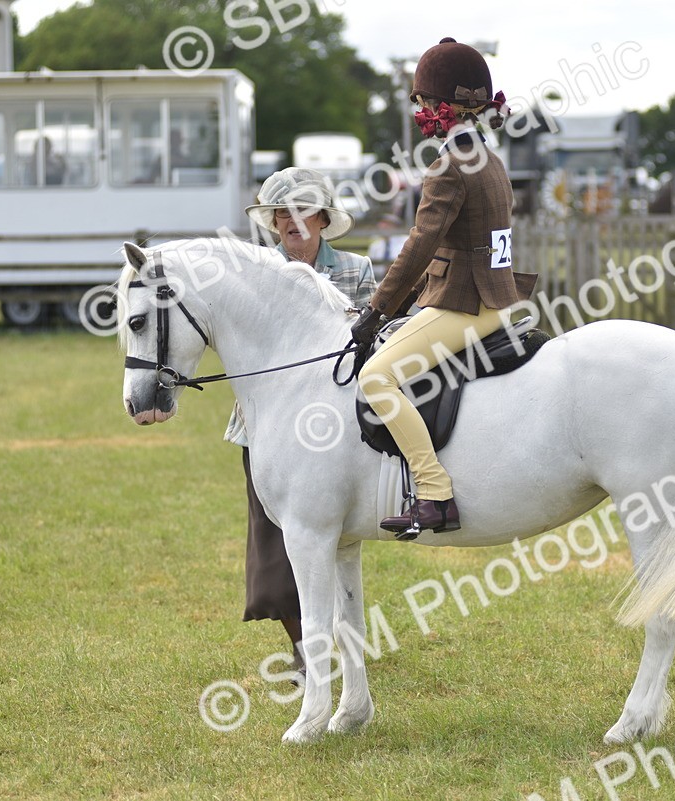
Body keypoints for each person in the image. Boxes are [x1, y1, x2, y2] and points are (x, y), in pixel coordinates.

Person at [350, 37, 536, 535]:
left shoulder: (449, 165)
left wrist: (378, 308)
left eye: (424, 103)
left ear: (442, 109)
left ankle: (434, 492)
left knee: (376, 379)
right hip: (500, 300)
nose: (421, 111)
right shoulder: (491, 162)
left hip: (464, 305)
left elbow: (420, 244)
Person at [230, 167, 377, 683]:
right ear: (272, 222)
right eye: (281, 213)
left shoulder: (357, 269)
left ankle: (342, 646)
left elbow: (374, 338)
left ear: (321, 217)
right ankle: (302, 647)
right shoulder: (256, 272)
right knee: (274, 559)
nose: (292, 221)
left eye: (303, 210)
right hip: (266, 430)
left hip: (336, 430)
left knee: (332, 545)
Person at [366, 213, 410, 282]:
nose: (383, 226)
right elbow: (370, 269)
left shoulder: (406, 241)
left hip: (401, 281)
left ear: (396, 226)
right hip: (379, 282)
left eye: (388, 224)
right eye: (382, 223)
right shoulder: (375, 246)